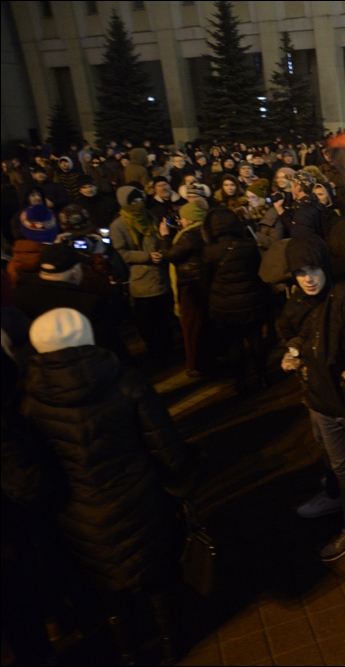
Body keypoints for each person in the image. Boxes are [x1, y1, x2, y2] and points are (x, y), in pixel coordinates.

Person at [20, 308, 191, 664]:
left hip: (78, 514)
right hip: (138, 498)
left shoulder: (29, 400)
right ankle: (172, 644)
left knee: (109, 590)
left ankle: (128, 652)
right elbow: (167, 450)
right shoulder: (126, 381)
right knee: (157, 577)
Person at [278, 236, 345, 590]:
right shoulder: (298, 301)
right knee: (341, 471)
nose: (308, 279)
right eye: (299, 272)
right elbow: (291, 330)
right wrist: (293, 350)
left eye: (313, 270)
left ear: (324, 265)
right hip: (322, 404)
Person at [202, 208, 269, 390]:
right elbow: (258, 273)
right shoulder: (248, 246)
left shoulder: (210, 252)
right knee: (256, 338)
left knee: (234, 343)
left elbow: (206, 281)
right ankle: (263, 375)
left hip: (224, 305)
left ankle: (240, 379)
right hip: (251, 301)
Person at [110, 185, 174, 356]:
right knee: (147, 321)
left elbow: (159, 238)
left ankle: (169, 350)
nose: (138, 204)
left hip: (160, 276)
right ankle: (155, 352)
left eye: (139, 200)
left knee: (165, 319)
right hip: (140, 280)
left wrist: (162, 248)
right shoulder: (118, 225)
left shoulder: (150, 218)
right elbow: (121, 252)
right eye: (133, 202)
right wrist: (146, 256)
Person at [159, 201, 209, 377]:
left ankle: (196, 364)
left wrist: (165, 236)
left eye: (183, 217)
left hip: (190, 285)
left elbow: (171, 255)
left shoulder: (189, 235)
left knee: (192, 326)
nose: (180, 221)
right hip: (203, 281)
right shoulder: (206, 229)